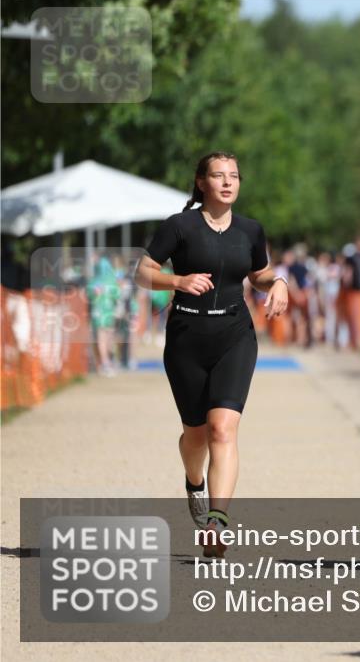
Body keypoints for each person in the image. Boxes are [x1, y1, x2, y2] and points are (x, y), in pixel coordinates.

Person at [135, 151, 288, 558]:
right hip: (186, 338)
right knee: (196, 433)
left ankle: (216, 522)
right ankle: (193, 480)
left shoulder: (251, 230)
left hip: (235, 336)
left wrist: (279, 283)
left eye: (234, 176)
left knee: (223, 429)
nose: (227, 182)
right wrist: (177, 280)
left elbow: (258, 275)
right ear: (201, 183)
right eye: (218, 176)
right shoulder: (179, 226)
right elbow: (142, 272)